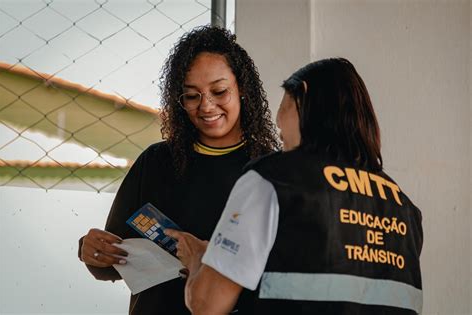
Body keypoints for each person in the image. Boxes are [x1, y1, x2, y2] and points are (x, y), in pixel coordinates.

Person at [169, 58, 423, 315]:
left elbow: (206, 305)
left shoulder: (273, 178)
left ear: (302, 96)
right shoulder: (403, 206)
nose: (278, 124)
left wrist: (199, 259)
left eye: (284, 102)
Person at [78, 26, 278, 315]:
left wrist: (208, 261)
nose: (206, 106)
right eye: (192, 96)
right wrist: (92, 251)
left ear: (243, 88)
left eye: (219, 91)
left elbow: (284, 277)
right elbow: (112, 263)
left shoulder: (272, 172)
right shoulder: (155, 162)